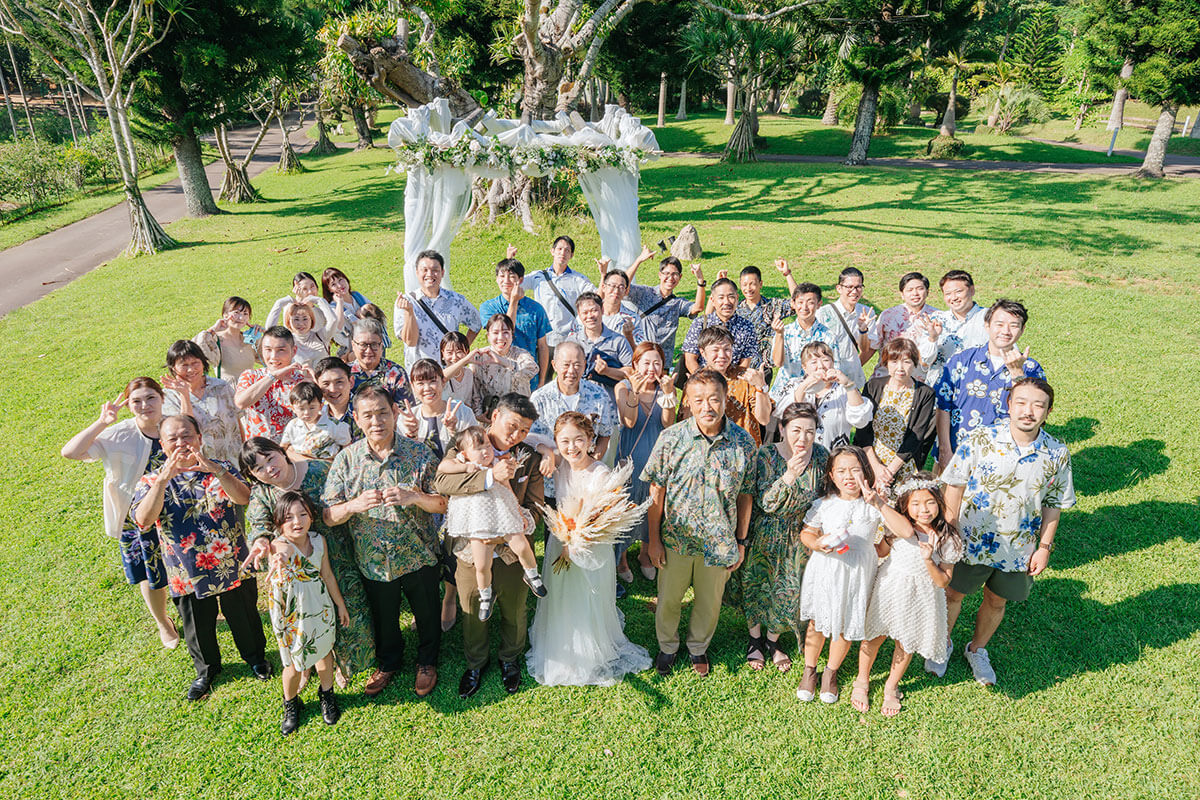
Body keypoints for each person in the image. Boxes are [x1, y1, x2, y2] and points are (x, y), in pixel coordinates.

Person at [928, 378, 1075, 687]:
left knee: (997, 601)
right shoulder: (980, 439)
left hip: (1018, 546)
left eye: (1038, 405)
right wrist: (951, 530)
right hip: (970, 540)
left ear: (1048, 412)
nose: (1028, 411)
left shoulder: (1057, 453)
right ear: (1009, 405)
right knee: (954, 593)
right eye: (1021, 402)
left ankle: (977, 650)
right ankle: (942, 646)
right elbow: (954, 484)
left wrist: (1044, 546)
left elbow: (1054, 503)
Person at [130, 415, 269, 701]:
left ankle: (255, 657)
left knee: (244, 613)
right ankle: (206, 670)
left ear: (199, 438)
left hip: (232, 559)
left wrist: (217, 472)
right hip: (185, 567)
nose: (181, 443)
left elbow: (244, 498)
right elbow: (143, 520)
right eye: (173, 439)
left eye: (187, 436)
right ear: (162, 444)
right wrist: (163, 481)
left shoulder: (222, 467)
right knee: (197, 624)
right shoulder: (150, 480)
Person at [322, 386, 447, 698]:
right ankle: (389, 662)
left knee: (427, 613)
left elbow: (443, 503)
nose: (376, 420)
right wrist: (352, 506)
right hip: (373, 562)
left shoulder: (420, 454)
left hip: (419, 555)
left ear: (394, 413)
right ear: (357, 419)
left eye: (382, 412)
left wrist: (415, 497)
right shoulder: (346, 460)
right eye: (368, 415)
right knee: (384, 617)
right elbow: (327, 515)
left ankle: (427, 662)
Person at [643, 369, 757, 678]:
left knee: (709, 603)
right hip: (676, 539)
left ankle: (697, 648)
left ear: (724, 400)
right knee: (669, 599)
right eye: (699, 400)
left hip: (721, 541)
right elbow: (657, 491)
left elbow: (746, 494)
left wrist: (741, 541)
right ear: (689, 403)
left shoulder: (743, 443)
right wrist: (653, 540)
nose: (707, 406)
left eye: (714, 399)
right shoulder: (672, 439)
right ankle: (667, 646)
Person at [432, 393, 546, 698]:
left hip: (511, 547)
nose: (516, 435)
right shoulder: (466, 446)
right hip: (472, 547)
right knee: (472, 608)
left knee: (515, 608)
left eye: (524, 430)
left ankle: (510, 659)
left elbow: (535, 504)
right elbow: (442, 484)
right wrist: (488, 478)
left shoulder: (529, 457)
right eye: (512, 426)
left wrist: (522, 520)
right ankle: (475, 663)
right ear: (494, 416)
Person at [526, 412, 651, 686]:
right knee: (560, 595)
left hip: (590, 546)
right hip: (560, 540)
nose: (572, 447)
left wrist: (576, 545)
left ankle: (589, 649)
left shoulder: (600, 474)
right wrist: (548, 451)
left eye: (579, 440)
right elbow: (531, 437)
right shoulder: (561, 463)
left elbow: (598, 518)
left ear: (591, 440)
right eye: (564, 441)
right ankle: (562, 640)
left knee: (586, 596)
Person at [240, 438, 375, 688]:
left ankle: (345, 663)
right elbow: (259, 525)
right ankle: (309, 662)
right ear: (253, 475)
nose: (268, 469)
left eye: (270, 458)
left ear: (282, 451)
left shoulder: (318, 471)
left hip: (336, 551)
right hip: (296, 564)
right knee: (305, 615)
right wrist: (261, 542)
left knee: (347, 608)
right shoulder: (262, 493)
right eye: (258, 468)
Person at [61, 377, 179, 648]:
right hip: (136, 520)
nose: (145, 405)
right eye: (136, 401)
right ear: (128, 406)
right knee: (151, 575)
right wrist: (103, 422)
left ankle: (190, 609)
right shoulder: (119, 434)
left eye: (151, 398)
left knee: (185, 564)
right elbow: (70, 452)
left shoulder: (174, 426)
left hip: (176, 512)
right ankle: (163, 622)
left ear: (162, 398)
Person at [853, 474, 962, 716]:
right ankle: (862, 680)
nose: (924, 510)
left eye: (930, 502)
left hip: (922, 595)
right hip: (891, 587)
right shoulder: (898, 528)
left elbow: (943, 581)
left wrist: (928, 560)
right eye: (916, 504)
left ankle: (891, 686)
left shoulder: (948, 538)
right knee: (874, 634)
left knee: (907, 641)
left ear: (939, 502)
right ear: (906, 506)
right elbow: (880, 551)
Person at [795, 446, 891, 705]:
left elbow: (883, 543)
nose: (849, 476)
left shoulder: (873, 506)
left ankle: (831, 673)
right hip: (827, 570)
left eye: (855, 470)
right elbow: (807, 533)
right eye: (842, 471)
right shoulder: (824, 505)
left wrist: (880, 503)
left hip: (858, 572)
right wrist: (816, 543)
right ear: (832, 476)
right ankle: (809, 670)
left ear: (866, 472)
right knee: (817, 622)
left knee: (847, 624)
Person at [739, 403, 828, 674]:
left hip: (798, 534)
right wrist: (789, 475)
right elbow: (765, 502)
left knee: (788, 591)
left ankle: (773, 640)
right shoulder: (765, 455)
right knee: (755, 584)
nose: (803, 439)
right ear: (782, 428)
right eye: (796, 430)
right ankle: (755, 638)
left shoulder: (822, 457)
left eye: (810, 432)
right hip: (765, 530)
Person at [397, 358, 479, 631]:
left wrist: (456, 430)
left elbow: (476, 454)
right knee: (425, 547)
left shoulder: (461, 411)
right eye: (420, 382)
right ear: (412, 386)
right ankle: (426, 602)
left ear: (443, 382)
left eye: (433, 380)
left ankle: (450, 598)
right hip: (422, 494)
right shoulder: (407, 418)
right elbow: (400, 459)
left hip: (456, 493)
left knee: (453, 545)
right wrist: (407, 437)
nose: (427, 387)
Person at [439, 425, 548, 621]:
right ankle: (485, 595)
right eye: (479, 448)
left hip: (502, 512)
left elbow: (509, 490)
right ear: (465, 453)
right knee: (482, 564)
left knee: (521, 545)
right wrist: (464, 466)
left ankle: (532, 575)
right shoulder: (462, 461)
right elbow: (443, 468)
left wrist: (518, 513)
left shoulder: (498, 463)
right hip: (477, 521)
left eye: (488, 446)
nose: (485, 451)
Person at [267, 492, 350, 734]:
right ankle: (291, 703)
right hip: (291, 615)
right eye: (289, 517)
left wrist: (340, 605)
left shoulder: (318, 540)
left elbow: (328, 575)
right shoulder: (279, 545)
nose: (297, 522)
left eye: (303, 514)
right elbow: (282, 553)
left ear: (312, 517)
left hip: (320, 607)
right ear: (279, 522)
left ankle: (327, 695)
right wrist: (279, 559)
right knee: (292, 665)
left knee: (324, 655)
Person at [933, 299, 1045, 471]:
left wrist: (1017, 375)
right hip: (957, 453)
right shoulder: (961, 360)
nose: (1005, 331)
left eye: (1014, 325)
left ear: (1022, 330)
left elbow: (1034, 413)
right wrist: (944, 451)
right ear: (987, 326)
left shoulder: (1031, 369)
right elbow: (943, 407)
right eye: (999, 324)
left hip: (1004, 460)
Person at [613, 343, 677, 583]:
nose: (652, 368)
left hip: (656, 456)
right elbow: (629, 422)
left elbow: (668, 424)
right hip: (630, 456)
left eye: (657, 363)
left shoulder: (665, 389)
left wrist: (670, 395)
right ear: (635, 365)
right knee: (627, 503)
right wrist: (636, 393)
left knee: (653, 504)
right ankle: (621, 558)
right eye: (646, 363)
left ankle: (645, 552)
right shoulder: (623, 387)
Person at [529, 341, 618, 501]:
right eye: (566, 365)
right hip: (552, 483)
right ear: (554, 365)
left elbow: (605, 434)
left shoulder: (599, 395)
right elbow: (529, 437)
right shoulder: (539, 399)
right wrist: (546, 451)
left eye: (577, 365)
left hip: (588, 484)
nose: (571, 371)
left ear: (584, 365)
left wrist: (591, 463)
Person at [854, 339, 937, 494]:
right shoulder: (873, 386)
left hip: (902, 464)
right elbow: (863, 430)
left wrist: (889, 472)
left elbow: (916, 436)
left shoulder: (925, 394)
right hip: (871, 461)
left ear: (914, 363)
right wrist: (877, 468)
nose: (900, 368)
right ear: (886, 363)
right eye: (894, 361)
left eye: (906, 362)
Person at [770, 342, 872, 451]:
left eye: (826, 360)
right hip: (798, 455)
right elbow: (784, 413)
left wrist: (848, 385)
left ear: (833, 363)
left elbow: (861, 420)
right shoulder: (794, 385)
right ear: (804, 367)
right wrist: (805, 385)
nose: (820, 366)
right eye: (813, 362)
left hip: (833, 457)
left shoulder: (843, 389)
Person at [394, 249, 480, 369]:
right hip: (420, 374)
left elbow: (476, 323)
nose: (430, 274)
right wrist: (409, 312)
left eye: (435, 270)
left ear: (442, 272)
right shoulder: (406, 301)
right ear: (417, 272)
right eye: (425, 270)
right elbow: (410, 341)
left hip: (450, 371)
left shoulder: (456, 300)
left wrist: (461, 350)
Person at [685, 326, 770, 445]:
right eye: (715, 350)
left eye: (727, 349)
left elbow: (764, 419)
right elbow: (686, 423)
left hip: (743, 449)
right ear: (703, 352)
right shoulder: (696, 382)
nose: (722, 355)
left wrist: (760, 387)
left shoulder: (745, 377)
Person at [161, 339, 242, 464]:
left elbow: (238, 419)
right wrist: (184, 395)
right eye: (184, 365)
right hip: (201, 465)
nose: (190, 370)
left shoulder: (221, 386)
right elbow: (184, 428)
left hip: (234, 460)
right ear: (173, 368)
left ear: (203, 363)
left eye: (195, 363)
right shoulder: (168, 398)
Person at [478, 255, 551, 388]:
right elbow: (506, 328)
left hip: (528, 378)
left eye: (511, 276)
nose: (506, 280)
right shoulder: (488, 307)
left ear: (520, 280)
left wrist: (541, 382)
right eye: (501, 276)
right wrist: (514, 301)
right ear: (496, 279)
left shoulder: (535, 309)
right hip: (496, 377)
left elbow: (542, 346)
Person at [624, 253, 705, 371]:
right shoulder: (645, 293)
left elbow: (698, 307)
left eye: (675, 274)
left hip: (663, 364)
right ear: (660, 275)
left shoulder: (678, 303)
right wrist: (639, 260)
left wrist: (700, 280)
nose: (670, 278)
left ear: (680, 277)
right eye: (666, 273)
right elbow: (623, 286)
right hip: (642, 360)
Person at [769, 282, 849, 399]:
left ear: (819, 304)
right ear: (793, 304)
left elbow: (834, 369)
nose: (804, 307)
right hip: (784, 395)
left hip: (817, 396)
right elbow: (777, 363)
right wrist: (779, 334)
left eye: (810, 302)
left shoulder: (828, 335)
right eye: (800, 302)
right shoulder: (784, 331)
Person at [234, 326, 311, 441]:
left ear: (293, 351)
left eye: (281, 350)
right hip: (258, 452)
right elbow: (241, 403)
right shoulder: (251, 376)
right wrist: (272, 376)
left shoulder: (302, 382)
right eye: (268, 350)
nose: (273, 357)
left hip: (292, 451)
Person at [521, 236, 596, 352]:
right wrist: (510, 260)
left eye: (567, 250)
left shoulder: (578, 279)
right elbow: (516, 284)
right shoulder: (538, 276)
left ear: (571, 255)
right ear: (552, 251)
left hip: (568, 339)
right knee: (542, 370)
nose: (563, 253)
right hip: (542, 338)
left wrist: (603, 275)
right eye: (559, 249)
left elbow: (597, 297)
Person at [444, 314, 538, 407]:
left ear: (512, 335)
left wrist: (503, 361)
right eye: (496, 333)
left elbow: (533, 370)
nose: (500, 337)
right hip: (491, 415)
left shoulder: (520, 354)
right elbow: (476, 390)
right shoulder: (480, 357)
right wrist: (479, 414)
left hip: (518, 412)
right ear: (488, 336)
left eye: (505, 332)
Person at [864, 272, 940, 382]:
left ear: (927, 292)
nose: (915, 293)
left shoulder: (938, 317)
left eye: (920, 289)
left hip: (921, 383)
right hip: (886, 380)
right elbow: (873, 346)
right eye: (910, 290)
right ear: (902, 294)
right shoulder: (888, 315)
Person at [564, 291, 633, 404]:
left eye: (594, 310)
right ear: (579, 315)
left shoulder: (618, 340)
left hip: (610, 403)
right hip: (579, 403)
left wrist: (607, 371)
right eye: (585, 312)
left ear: (602, 310)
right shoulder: (572, 342)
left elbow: (631, 372)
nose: (590, 316)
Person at [732, 261, 797, 378]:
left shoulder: (772, 306)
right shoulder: (735, 310)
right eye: (744, 284)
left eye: (752, 284)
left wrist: (787, 274)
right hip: (738, 370)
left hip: (763, 371)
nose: (748, 288)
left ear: (760, 284)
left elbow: (797, 301)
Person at [681, 278, 758, 373]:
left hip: (733, 382)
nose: (726, 302)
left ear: (737, 298)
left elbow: (745, 361)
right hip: (704, 381)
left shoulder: (747, 327)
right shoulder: (700, 323)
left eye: (731, 297)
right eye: (721, 297)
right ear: (713, 300)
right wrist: (704, 381)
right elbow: (690, 359)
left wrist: (732, 383)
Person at [815, 267, 873, 389]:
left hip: (852, 378)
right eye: (849, 287)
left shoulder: (867, 313)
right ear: (839, 288)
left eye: (858, 287)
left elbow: (865, 349)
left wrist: (863, 330)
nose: (854, 291)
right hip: (827, 378)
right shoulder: (823, 313)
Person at [927, 269, 987, 384]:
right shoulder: (936, 320)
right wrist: (932, 338)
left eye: (958, 291)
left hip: (978, 387)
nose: (953, 297)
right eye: (948, 294)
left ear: (972, 290)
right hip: (941, 388)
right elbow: (924, 362)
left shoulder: (990, 317)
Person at [192, 296, 263, 382]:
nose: (241, 318)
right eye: (236, 313)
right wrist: (213, 329)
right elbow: (193, 351)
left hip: (251, 390)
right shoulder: (215, 340)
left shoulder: (251, 339)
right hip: (227, 392)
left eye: (245, 314)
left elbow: (272, 358)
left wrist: (267, 334)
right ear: (225, 315)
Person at [347, 318, 414, 406]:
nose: (368, 351)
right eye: (363, 345)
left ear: (381, 346)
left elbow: (406, 411)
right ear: (353, 345)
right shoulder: (345, 374)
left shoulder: (396, 373)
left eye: (374, 344)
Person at [280, 381, 352, 462]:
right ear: (293, 408)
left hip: (325, 467)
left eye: (312, 408)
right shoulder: (293, 425)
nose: (307, 413)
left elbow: (347, 447)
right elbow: (283, 446)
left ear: (320, 406)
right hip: (297, 465)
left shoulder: (334, 425)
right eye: (301, 409)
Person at [265, 272, 339, 334]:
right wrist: (280, 303)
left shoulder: (321, 312)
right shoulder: (290, 309)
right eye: (304, 289)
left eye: (312, 287)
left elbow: (336, 327)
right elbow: (269, 330)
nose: (310, 292)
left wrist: (320, 301)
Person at [281, 299, 343, 367]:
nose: (301, 324)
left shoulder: (321, 336)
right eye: (296, 319)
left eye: (305, 319)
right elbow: (268, 329)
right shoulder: (286, 340)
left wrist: (318, 300)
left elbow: (333, 320)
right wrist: (279, 303)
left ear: (311, 320)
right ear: (288, 321)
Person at [322, 266, 373, 347]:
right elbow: (338, 327)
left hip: (372, 340)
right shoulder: (332, 307)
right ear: (330, 289)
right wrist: (340, 303)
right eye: (333, 284)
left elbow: (375, 312)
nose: (339, 285)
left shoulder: (357, 296)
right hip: (353, 348)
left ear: (346, 279)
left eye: (340, 280)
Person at [314, 356, 360, 440]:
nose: (333, 390)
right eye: (326, 384)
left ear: (351, 382)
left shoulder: (364, 411)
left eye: (339, 382)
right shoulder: (314, 411)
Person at [439, 331, 484, 418]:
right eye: (449, 352)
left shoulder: (469, 373)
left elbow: (475, 400)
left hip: (466, 420)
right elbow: (442, 378)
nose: (454, 357)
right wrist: (465, 360)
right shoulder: (439, 374)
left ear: (467, 352)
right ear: (442, 354)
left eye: (459, 351)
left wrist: (479, 416)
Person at [597, 267, 644, 349]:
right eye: (612, 286)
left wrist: (629, 336)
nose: (616, 291)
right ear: (603, 287)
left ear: (626, 291)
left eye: (621, 287)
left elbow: (639, 354)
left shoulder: (633, 319)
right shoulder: (589, 313)